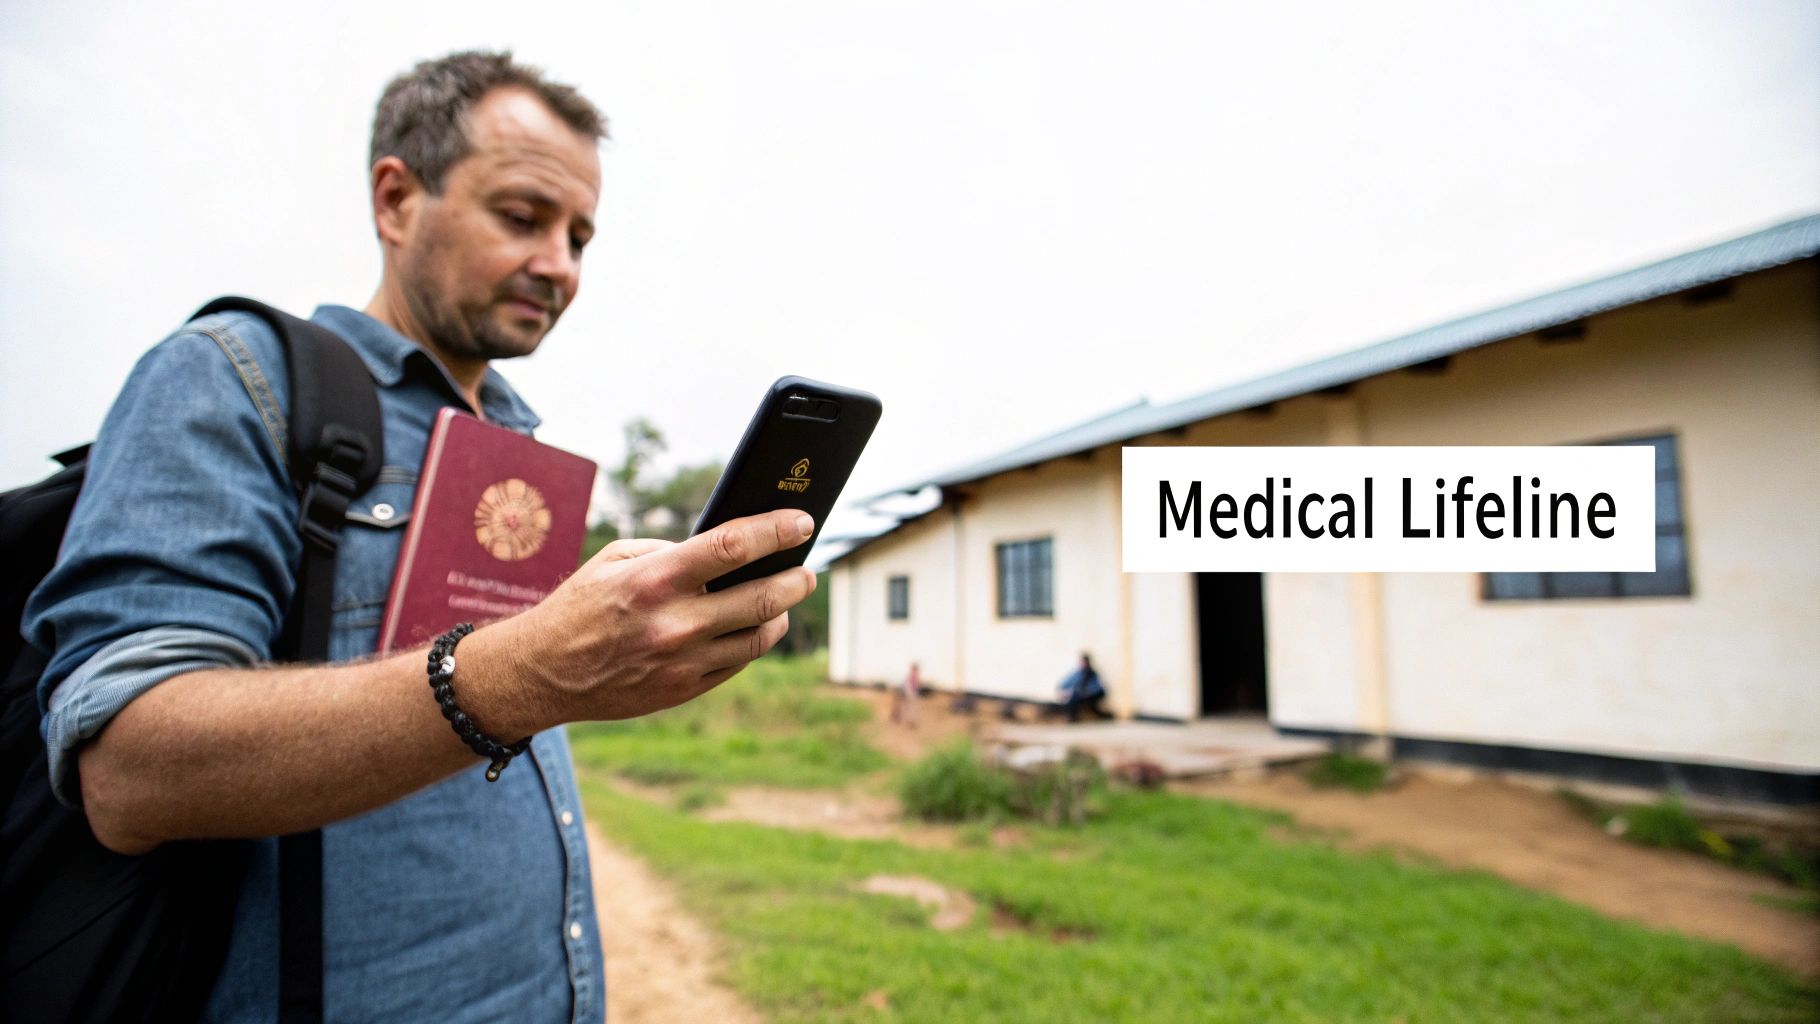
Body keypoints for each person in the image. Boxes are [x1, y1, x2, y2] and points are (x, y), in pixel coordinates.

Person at [22, 51, 818, 1024]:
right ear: (396, 200)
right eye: (522, 217)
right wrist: (525, 673)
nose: (560, 264)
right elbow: (127, 767)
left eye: (579, 236)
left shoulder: (519, 451)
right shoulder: (232, 381)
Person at [1056, 653, 1108, 723]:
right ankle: (1072, 717)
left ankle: (1073, 718)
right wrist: (1065, 692)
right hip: (1079, 696)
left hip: (1090, 696)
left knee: (1079, 697)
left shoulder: (1092, 674)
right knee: (1074, 695)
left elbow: (1098, 687)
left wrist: (1088, 692)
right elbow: (1063, 685)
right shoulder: (1077, 673)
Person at [889, 661, 921, 727]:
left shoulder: (912, 676)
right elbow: (910, 686)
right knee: (909, 707)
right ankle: (910, 721)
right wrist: (910, 693)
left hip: (909, 694)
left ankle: (907, 720)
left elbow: (913, 686)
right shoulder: (912, 676)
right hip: (910, 694)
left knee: (906, 707)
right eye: (915, 669)